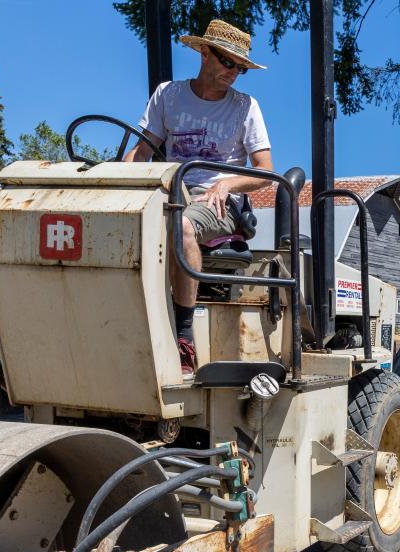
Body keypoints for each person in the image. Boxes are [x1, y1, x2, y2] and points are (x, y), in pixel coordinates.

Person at [124, 19, 274, 380]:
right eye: (228, 63)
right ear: (204, 53)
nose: (234, 72)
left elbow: (265, 169)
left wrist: (228, 185)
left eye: (241, 67)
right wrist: (114, 179)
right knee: (126, 222)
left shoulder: (245, 107)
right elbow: (143, 151)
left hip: (222, 203)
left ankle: (183, 335)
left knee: (184, 226)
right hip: (173, 190)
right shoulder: (169, 95)